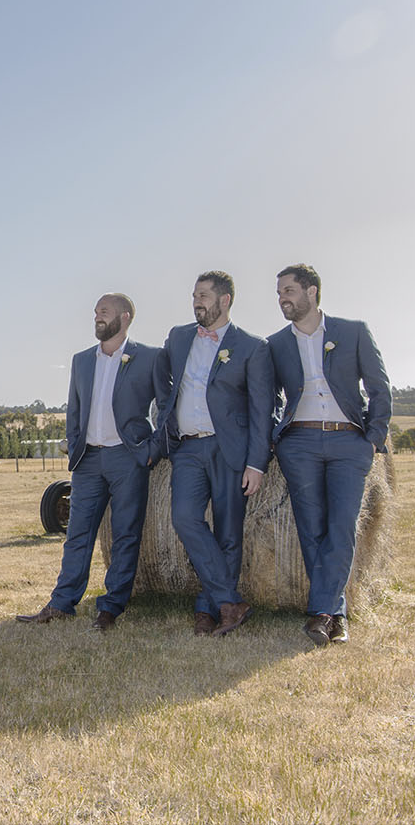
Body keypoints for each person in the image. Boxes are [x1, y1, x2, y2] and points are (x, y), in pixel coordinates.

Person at [17, 293, 167, 631]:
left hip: (128, 459)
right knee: (77, 534)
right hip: (88, 461)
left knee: (125, 534)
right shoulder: (81, 360)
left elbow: (167, 407)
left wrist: (152, 448)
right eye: (96, 311)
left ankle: (110, 609)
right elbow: (74, 408)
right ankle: (61, 603)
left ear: (125, 317)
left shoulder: (150, 357)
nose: (97, 316)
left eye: (105, 311)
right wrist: (73, 444)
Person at [268, 263, 391, 646]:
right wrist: (278, 437)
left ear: (312, 291)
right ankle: (331, 613)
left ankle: (322, 612)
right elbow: (269, 397)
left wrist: (371, 438)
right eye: (279, 294)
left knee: (342, 527)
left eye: (288, 290)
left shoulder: (352, 332)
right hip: (299, 443)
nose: (282, 298)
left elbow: (379, 387)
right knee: (312, 528)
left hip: (347, 442)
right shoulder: (275, 344)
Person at [154, 272, 274, 637]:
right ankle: (229, 601)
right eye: (194, 295)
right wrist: (165, 415)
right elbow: (163, 379)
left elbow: (261, 410)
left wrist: (256, 463)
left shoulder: (253, 347)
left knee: (228, 533)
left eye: (203, 295)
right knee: (185, 518)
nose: (196, 302)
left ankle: (209, 610)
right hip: (188, 447)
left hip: (230, 449)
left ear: (225, 300)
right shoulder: (178, 337)